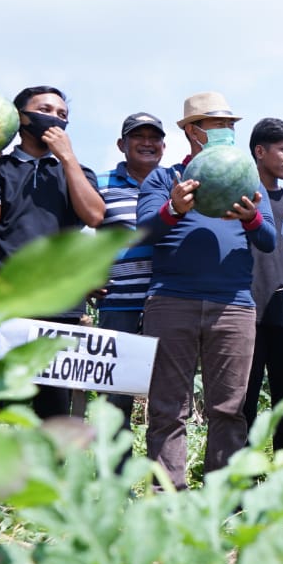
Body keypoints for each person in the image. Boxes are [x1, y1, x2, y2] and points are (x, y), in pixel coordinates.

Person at [137, 92, 276, 489]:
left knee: (229, 408)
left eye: (230, 125)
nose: (226, 132)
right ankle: (168, 498)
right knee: (167, 408)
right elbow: (143, 232)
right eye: (217, 125)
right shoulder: (165, 179)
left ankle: (223, 497)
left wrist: (250, 219)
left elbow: (268, 240)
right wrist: (174, 209)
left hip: (233, 305)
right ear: (192, 132)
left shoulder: (248, 180)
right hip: (170, 301)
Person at [0, 85, 105, 418]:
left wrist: (68, 158)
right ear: (21, 117)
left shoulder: (76, 170)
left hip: (60, 314)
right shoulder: (1, 169)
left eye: (63, 115)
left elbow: (94, 215)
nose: (55, 119)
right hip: (4, 310)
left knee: (54, 417)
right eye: (45, 110)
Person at [95, 111, 169, 430]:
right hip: (118, 304)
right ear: (121, 144)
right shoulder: (100, 184)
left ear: (164, 146)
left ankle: (163, 478)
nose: (147, 143)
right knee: (116, 400)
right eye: (138, 136)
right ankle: (117, 478)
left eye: (154, 137)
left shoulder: (176, 183)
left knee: (169, 398)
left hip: (169, 303)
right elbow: (73, 234)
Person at [243, 117, 283, 453]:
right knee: (245, 404)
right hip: (246, 315)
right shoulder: (241, 198)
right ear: (259, 151)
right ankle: (241, 487)